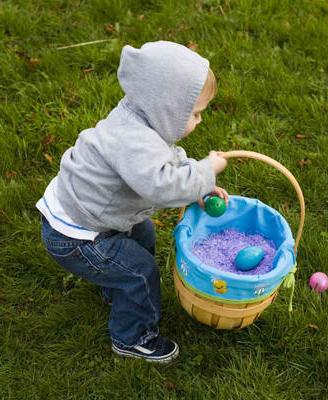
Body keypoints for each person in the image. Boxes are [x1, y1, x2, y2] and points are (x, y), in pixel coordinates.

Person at [36, 41, 228, 363]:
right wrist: (206, 171)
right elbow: (163, 186)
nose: (199, 121)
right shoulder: (133, 141)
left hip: (85, 211)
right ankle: (132, 337)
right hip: (77, 236)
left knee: (144, 235)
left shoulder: (139, 117)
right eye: (194, 113)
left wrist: (198, 188)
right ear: (167, 109)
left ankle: (118, 287)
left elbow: (166, 162)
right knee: (139, 271)